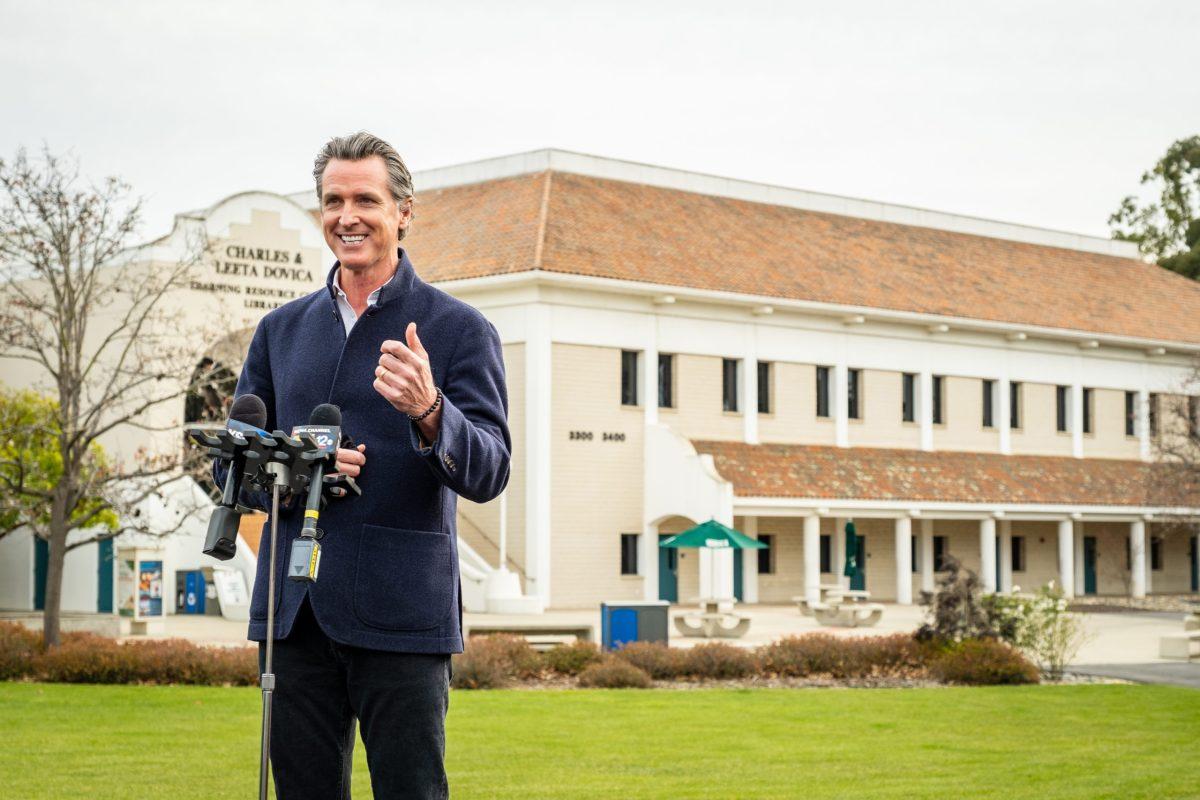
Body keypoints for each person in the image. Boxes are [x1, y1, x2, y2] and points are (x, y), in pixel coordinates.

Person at [230, 132, 511, 799]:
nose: (346, 215)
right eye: (332, 200)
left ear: (403, 211)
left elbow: (490, 469)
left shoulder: (458, 329)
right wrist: (301, 464)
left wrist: (430, 409)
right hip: (293, 616)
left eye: (365, 199)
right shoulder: (280, 331)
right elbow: (235, 471)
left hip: (403, 615)